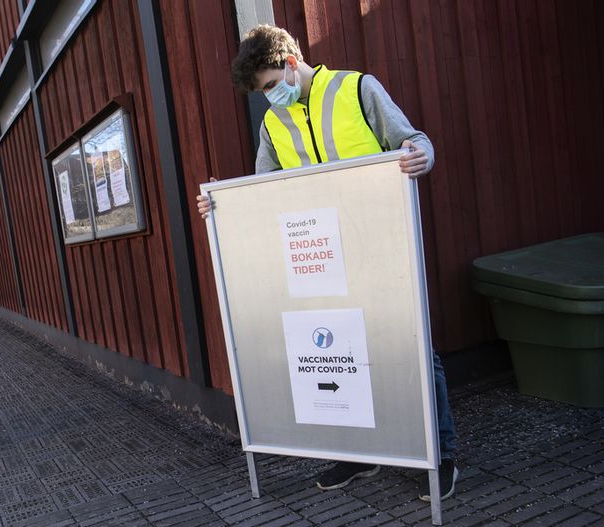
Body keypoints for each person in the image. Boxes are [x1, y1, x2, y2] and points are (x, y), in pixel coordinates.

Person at [196, 24, 457, 501]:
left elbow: (414, 140)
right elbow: (264, 193)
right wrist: (222, 204)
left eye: (271, 84)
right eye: (261, 92)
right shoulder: (272, 124)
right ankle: (359, 455)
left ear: (292, 62)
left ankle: (439, 456)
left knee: (414, 347)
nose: (270, 97)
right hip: (320, 258)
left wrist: (420, 155)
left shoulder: (358, 88)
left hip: (381, 245)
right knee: (341, 352)